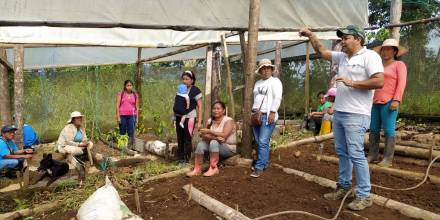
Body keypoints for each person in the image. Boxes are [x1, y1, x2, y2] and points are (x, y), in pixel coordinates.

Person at [300, 25, 384, 210]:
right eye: (342, 39)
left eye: (346, 38)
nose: (342, 42)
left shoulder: (370, 57)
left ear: (358, 39)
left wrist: (352, 82)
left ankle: (364, 195)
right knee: (342, 152)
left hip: (357, 113)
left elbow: (379, 81)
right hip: (340, 112)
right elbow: (322, 51)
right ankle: (344, 186)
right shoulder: (343, 57)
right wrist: (312, 35)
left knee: (356, 154)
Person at [368, 39, 408, 167]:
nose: (385, 52)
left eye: (389, 49)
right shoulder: (378, 65)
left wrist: (397, 100)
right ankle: (373, 155)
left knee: (389, 129)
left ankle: (387, 159)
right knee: (373, 128)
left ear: (395, 51)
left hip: (390, 101)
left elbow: (401, 83)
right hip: (375, 100)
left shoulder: (399, 64)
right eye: (383, 49)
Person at [250, 59, 283, 178]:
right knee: (259, 142)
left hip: (267, 115)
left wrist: (273, 112)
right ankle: (264, 163)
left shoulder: (275, 81)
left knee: (263, 141)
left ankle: (259, 167)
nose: (266, 70)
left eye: (268, 68)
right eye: (263, 69)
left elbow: (277, 97)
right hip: (256, 115)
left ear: (271, 69)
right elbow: (256, 99)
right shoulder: (257, 83)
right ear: (260, 71)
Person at [186, 101, 237, 177]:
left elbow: (224, 135)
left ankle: (213, 168)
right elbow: (204, 135)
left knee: (213, 142)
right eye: (214, 108)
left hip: (228, 148)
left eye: (218, 108)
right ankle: (197, 169)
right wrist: (215, 137)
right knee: (201, 144)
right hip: (214, 147)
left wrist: (210, 132)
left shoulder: (228, 120)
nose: (216, 110)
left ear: (223, 111)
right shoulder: (210, 121)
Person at [175, 70, 203, 164]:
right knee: (180, 137)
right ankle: (180, 158)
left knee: (187, 137)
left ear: (192, 80)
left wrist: (199, 121)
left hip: (190, 117)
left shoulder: (196, 90)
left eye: (187, 79)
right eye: (183, 79)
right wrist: (174, 116)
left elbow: (200, 106)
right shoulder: (180, 89)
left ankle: (186, 159)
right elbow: (177, 103)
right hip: (179, 117)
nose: (184, 81)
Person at [116, 80, 139, 149]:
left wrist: (137, 118)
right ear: (125, 86)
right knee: (122, 132)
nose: (129, 87)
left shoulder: (135, 95)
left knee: (131, 132)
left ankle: (130, 147)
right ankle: (122, 148)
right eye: (128, 85)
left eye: (130, 85)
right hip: (122, 116)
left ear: (132, 86)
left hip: (132, 116)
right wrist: (118, 117)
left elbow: (137, 107)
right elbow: (117, 106)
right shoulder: (120, 94)